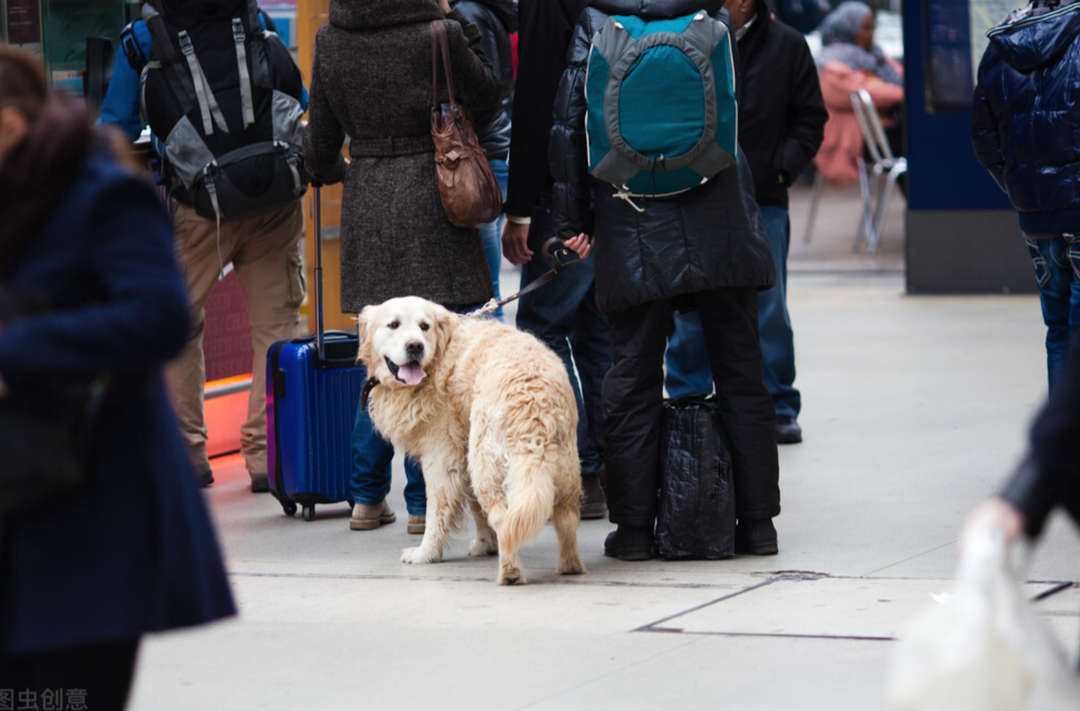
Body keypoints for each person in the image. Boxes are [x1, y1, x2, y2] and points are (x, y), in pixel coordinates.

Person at [0, 48, 234, 708]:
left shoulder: (103, 193)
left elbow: (158, 318)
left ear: (12, 125)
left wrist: (17, 350)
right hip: (17, 495)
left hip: (94, 507)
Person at [551, 0, 781, 560]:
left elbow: (569, 129)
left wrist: (573, 222)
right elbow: (727, 111)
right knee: (741, 371)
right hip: (719, 215)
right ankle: (756, 524)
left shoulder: (595, 23)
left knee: (630, 380)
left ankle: (632, 530)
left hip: (631, 221)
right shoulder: (710, 20)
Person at [303, 0, 500, 534]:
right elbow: (488, 92)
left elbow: (319, 142)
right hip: (435, 192)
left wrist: (348, 167)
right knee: (426, 357)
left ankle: (366, 496)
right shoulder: (438, 29)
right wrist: (457, 19)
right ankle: (421, 504)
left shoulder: (330, 38)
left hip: (368, 199)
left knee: (381, 355)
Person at [99, 0, 310, 494]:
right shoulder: (253, 18)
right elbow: (296, 94)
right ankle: (264, 456)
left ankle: (188, 453)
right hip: (273, 198)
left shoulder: (143, 38)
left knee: (178, 325)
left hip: (199, 208)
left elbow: (114, 130)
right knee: (274, 331)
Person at [664, 0, 828, 446]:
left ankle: (779, 404)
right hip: (698, 195)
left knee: (770, 306)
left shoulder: (789, 45)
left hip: (764, 197)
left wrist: (780, 169)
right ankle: (686, 402)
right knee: (691, 304)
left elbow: (812, 117)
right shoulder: (688, 36)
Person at [501, 0, 612, 520]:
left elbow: (536, 105)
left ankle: (584, 467)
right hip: (620, 190)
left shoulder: (548, 6)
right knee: (603, 336)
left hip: (562, 198)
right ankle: (622, 465)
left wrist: (520, 208)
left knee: (543, 331)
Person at [971, 0, 1080, 391]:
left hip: (1036, 218)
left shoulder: (1003, 43)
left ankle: (1064, 443)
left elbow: (983, 137)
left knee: (1058, 331)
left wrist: (1020, 187)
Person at [452, 0, 517, 323]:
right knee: (485, 291)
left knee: (484, 296)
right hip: (489, 153)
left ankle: (496, 369)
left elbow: (485, 92)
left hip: (480, 158)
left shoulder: (469, 13)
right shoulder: (482, 10)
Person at [812, 0, 904, 188]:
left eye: (873, 27)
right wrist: (903, 94)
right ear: (849, 29)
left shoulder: (874, 56)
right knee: (909, 143)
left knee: (909, 138)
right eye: (866, 28)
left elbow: (902, 78)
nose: (872, 34)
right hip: (849, 141)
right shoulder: (829, 64)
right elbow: (866, 92)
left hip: (877, 132)